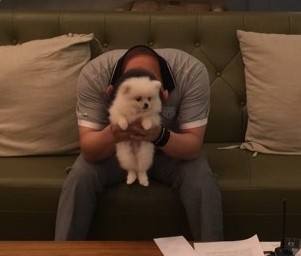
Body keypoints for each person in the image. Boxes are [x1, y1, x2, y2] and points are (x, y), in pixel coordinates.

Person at [54, 44, 223, 242]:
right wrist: (113, 132)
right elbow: (89, 149)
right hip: (118, 150)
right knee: (80, 175)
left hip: (171, 152)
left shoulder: (191, 72)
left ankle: (213, 255)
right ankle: (65, 255)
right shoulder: (94, 74)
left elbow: (192, 146)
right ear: (111, 91)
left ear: (163, 92)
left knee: (201, 178)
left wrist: (159, 135)